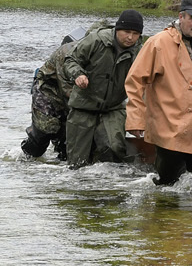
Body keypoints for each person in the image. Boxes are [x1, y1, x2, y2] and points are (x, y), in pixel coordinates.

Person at [125, 0, 192, 185]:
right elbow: (135, 81)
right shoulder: (158, 43)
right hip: (169, 128)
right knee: (167, 187)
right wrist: (135, 120)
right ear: (181, 17)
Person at [62, 9, 144, 169]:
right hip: (83, 105)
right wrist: (78, 74)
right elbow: (70, 60)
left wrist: (138, 119)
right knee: (77, 162)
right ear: (117, 30)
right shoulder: (96, 40)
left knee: (114, 149)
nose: (130, 37)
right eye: (127, 32)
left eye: (135, 34)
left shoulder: (141, 51)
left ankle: (108, 188)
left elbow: (147, 83)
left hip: (113, 108)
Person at [20, 25, 85, 160]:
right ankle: (27, 152)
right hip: (47, 91)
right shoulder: (66, 54)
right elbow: (66, 89)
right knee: (45, 131)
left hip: (73, 95)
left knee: (67, 143)